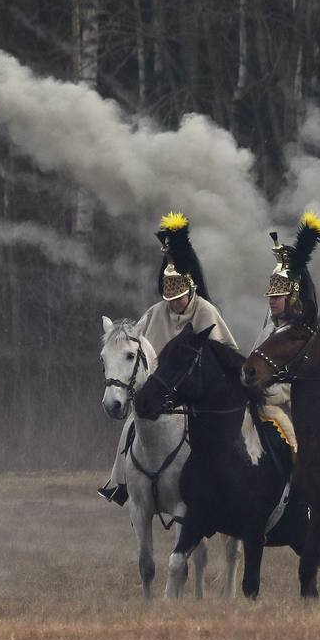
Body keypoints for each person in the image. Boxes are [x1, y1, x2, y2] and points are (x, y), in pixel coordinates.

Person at [98, 211, 238, 506]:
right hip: (159, 392)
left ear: (191, 289)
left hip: (195, 394)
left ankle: (222, 485)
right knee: (131, 425)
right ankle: (120, 483)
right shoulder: (155, 312)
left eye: (179, 297)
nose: (174, 303)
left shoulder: (206, 312)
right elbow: (138, 349)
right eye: (169, 298)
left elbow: (225, 353)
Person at [246, 211, 320, 448]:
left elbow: (295, 384)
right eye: (270, 296)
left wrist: (263, 395)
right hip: (263, 406)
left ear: (292, 297)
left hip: (296, 412)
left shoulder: (302, 335)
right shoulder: (268, 331)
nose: (271, 301)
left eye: (277, 296)